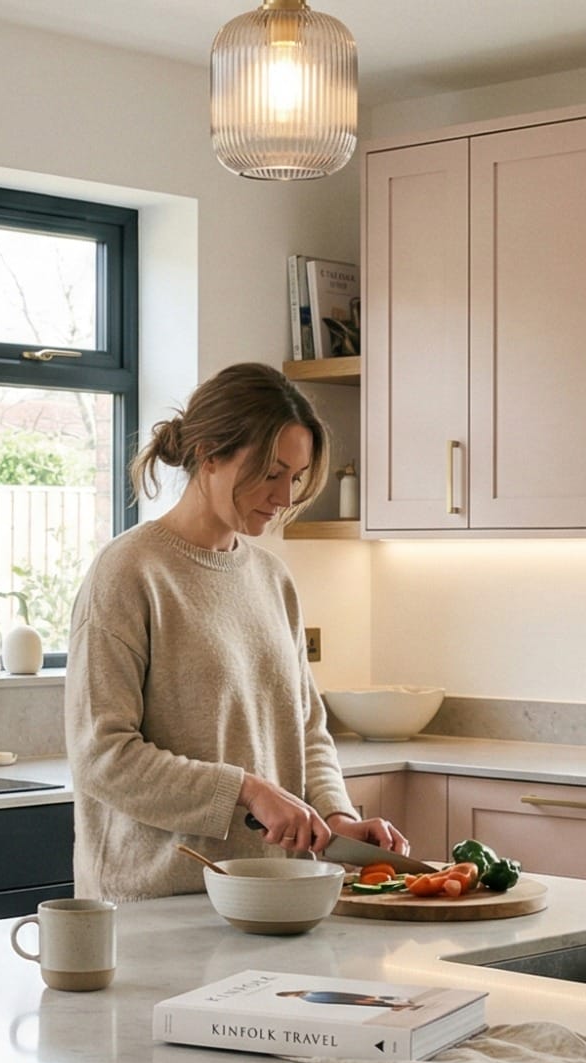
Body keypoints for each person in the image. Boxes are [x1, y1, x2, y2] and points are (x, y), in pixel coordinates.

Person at [65, 362, 409, 902]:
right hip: (157, 908)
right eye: (272, 472)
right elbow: (103, 758)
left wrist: (335, 815)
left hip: (273, 897)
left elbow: (308, 729)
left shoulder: (272, 578)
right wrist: (246, 791)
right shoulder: (128, 572)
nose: (285, 495)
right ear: (209, 454)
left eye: (295, 477)